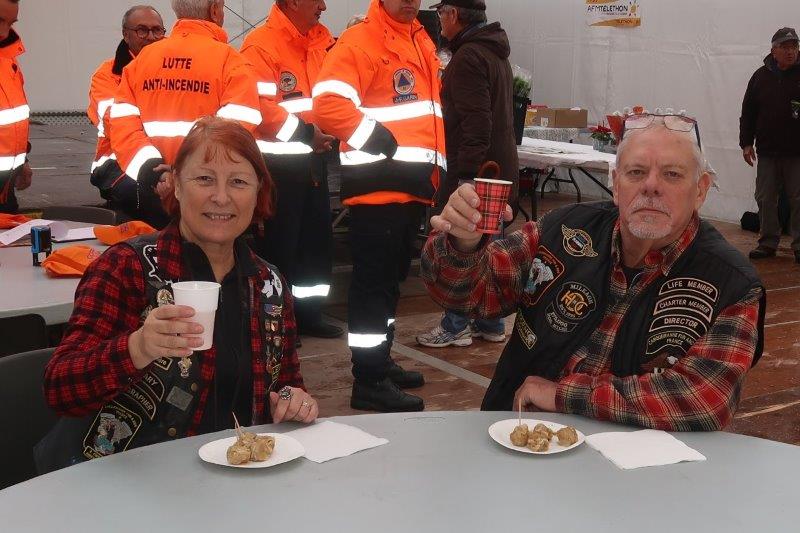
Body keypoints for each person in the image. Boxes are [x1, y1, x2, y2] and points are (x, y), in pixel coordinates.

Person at [422, 114, 766, 431]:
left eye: (672, 174)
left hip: (633, 466)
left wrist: (564, 395)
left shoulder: (732, 283)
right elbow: (470, 294)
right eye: (636, 172)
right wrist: (463, 244)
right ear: (615, 184)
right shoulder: (564, 230)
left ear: (700, 190)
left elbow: (703, 399)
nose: (651, 186)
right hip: (517, 438)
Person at [37, 117, 318, 473]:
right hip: (125, 479)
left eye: (238, 182)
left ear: (257, 192)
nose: (221, 197)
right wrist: (137, 348)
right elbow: (60, 388)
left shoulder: (269, 284)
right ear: (177, 186)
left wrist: (293, 401)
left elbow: (286, 382)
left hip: (232, 478)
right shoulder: (126, 267)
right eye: (204, 179)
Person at [313, 0, 446, 412]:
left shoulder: (418, 39)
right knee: (373, 287)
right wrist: (375, 138)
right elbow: (328, 104)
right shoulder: (361, 41)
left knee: (388, 285)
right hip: (379, 191)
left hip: (409, 188)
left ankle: (380, 361)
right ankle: (368, 379)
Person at [417, 0, 518, 348]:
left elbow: (477, 123)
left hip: (478, 173)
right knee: (489, 246)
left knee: (461, 246)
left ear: (453, 15)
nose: (438, 20)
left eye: (440, 13)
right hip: (497, 168)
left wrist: (466, 177)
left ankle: (456, 324)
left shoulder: (468, 57)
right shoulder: (493, 51)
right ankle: (490, 323)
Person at [240, 0, 342, 339]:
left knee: (316, 244)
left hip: (315, 162)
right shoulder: (261, 46)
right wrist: (307, 134)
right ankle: (279, 324)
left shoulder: (322, 42)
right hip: (278, 167)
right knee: (280, 249)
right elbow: (259, 108)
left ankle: (309, 315)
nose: (323, 6)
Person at [109, 0, 262, 220]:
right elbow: (234, 131)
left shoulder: (141, 61)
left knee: (158, 243)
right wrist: (189, 175)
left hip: (155, 190)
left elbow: (123, 128)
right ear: (215, 10)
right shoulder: (232, 62)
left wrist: (155, 173)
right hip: (210, 193)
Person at [87, 5, 167, 226]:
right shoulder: (107, 75)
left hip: (164, 159)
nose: (151, 37)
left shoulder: (173, 68)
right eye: (142, 30)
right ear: (126, 34)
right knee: (151, 196)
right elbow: (116, 123)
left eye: (157, 30)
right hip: (117, 162)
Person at [740, 27, 800, 263]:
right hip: (767, 151)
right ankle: (767, 242)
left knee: (798, 199)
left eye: (794, 46)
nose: (791, 51)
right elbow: (748, 113)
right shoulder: (760, 77)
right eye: (785, 47)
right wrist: (746, 143)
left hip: (797, 152)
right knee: (765, 198)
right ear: (773, 50)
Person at [0, 0, 31, 214]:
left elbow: (12, 119)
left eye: (10, 24)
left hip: (5, 190)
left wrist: (22, 161)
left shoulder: (8, 60)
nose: (4, 33)